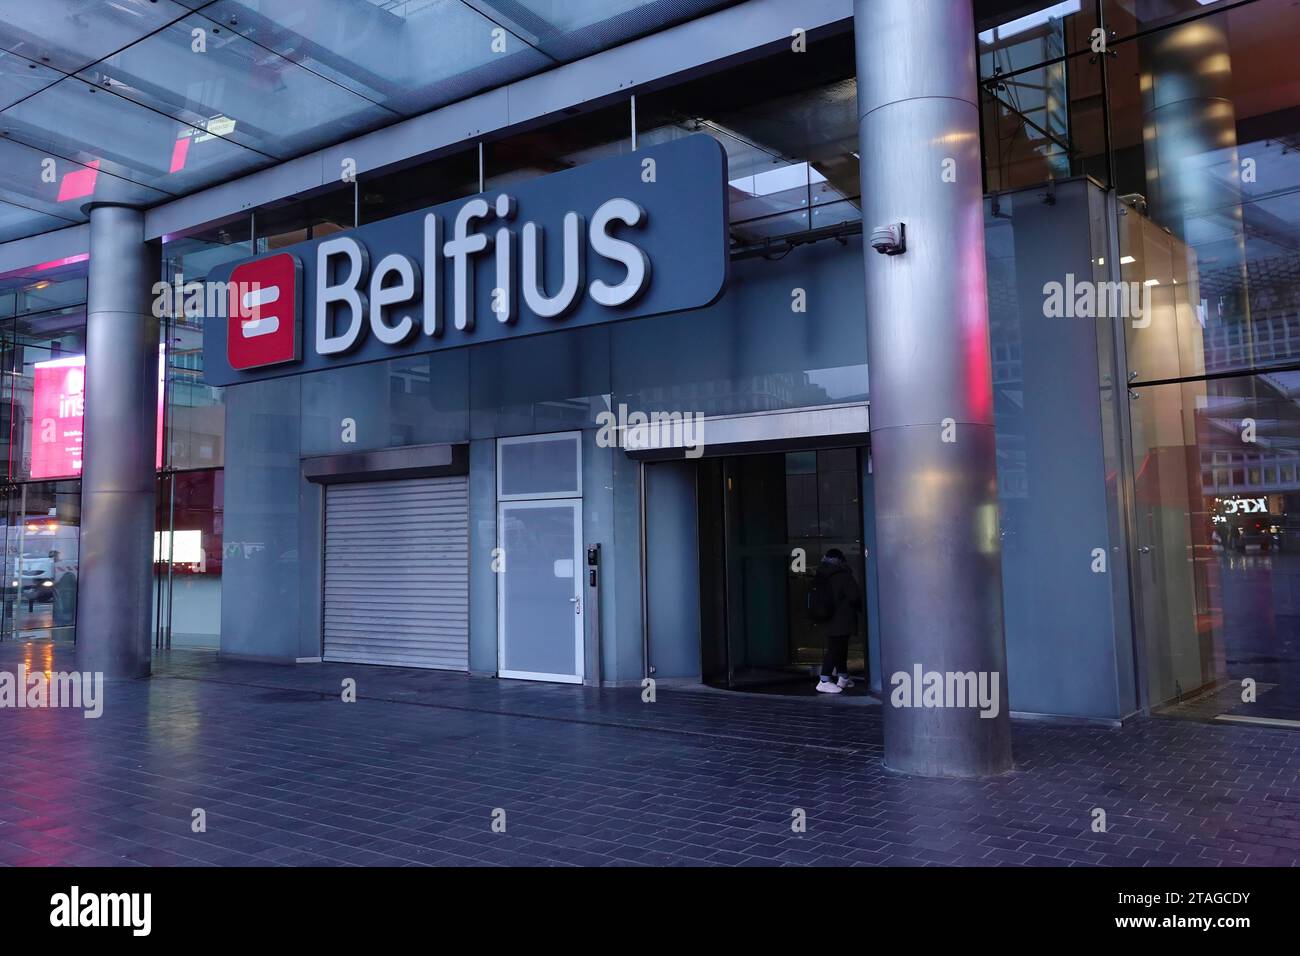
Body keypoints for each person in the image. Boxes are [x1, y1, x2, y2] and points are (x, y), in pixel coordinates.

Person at [813, 548, 862, 694]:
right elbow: (855, 596)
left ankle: (843, 677)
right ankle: (824, 680)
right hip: (842, 619)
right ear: (841, 560)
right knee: (835, 649)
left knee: (839, 648)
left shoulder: (821, 574)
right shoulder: (843, 575)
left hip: (826, 617)